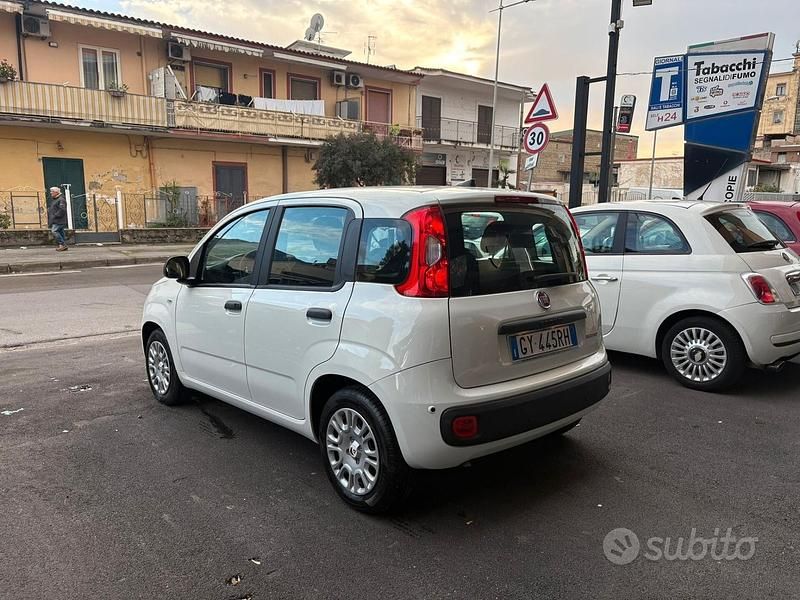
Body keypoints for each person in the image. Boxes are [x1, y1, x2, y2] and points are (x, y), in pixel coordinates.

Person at [47, 186, 68, 251]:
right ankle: (62, 245)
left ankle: (63, 244)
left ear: (56, 192)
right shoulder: (56, 199)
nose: (51, 193)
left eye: (52, 192)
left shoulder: (61, 199)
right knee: (60, 232)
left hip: (59, 220)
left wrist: (55, 216)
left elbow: (62, 209)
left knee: (54, 231)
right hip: (57, 220)